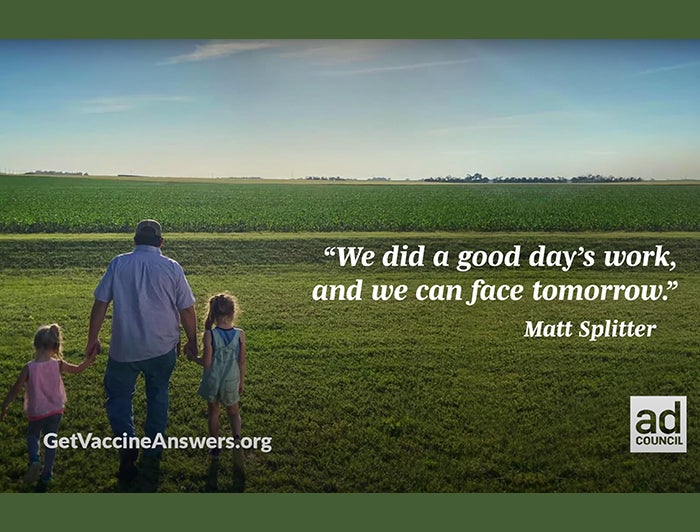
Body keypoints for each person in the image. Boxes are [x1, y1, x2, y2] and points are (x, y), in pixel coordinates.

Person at [85, 219, 198, 486]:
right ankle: (153, 449)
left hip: (124, 348)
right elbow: (187, 309)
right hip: (163, 347)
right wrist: (193, 340)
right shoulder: (172, 267)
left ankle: (127, 445)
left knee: (118, 398)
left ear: (134, 240)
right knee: (158, 395)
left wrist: (92, 338)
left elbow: (101, 302)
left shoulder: (119, 263)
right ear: (161, 242)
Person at [1, 324, 95, 490]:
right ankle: (47, 475)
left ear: (35, 345)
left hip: (37, 410)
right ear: (55, 347)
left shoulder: (29, 368)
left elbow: (16, 389)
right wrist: (89, 360)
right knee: (51, 440)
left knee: (33, 435)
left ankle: (35, 459)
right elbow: (77, 369)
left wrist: (5, 406)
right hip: (56, 409)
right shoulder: (58, 364)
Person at [188, 292, 246, 461]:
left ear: (212, 314)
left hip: (213, 380)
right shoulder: (240, 334)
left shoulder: (210, 335)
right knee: (234, 412)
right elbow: (241, 361)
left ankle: (215, 448)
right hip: (231, 379)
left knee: (213, 413)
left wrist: (192, 358)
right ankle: (236, 439)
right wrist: (241, 381)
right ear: (233, 313)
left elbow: (207, 363)